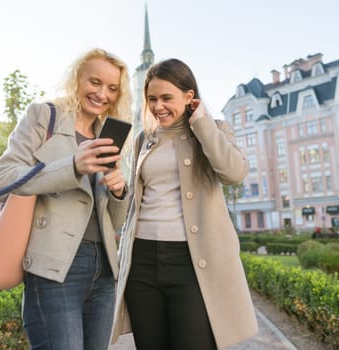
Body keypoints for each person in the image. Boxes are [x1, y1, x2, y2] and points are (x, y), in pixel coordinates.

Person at [110, 58, 258, 350]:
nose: (158, 106)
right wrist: (117, 191)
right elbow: (136, 202)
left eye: (167, 97)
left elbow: (234, 173)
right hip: (141, 260)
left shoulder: (213, 130)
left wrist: (201, 122)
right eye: (152, 99)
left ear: (189, 96)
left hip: (191, 261)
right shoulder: (144, 139)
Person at [0, 48, 132, 350]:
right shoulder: (44, 115)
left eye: (112, 88)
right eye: (95, 82)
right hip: (56, 267)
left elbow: (115, 222)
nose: (102, 94)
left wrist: (119, 191)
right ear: (77, 78)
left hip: (104, 269)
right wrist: (72, 167)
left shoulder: (106, 135)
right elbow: (3, 177)